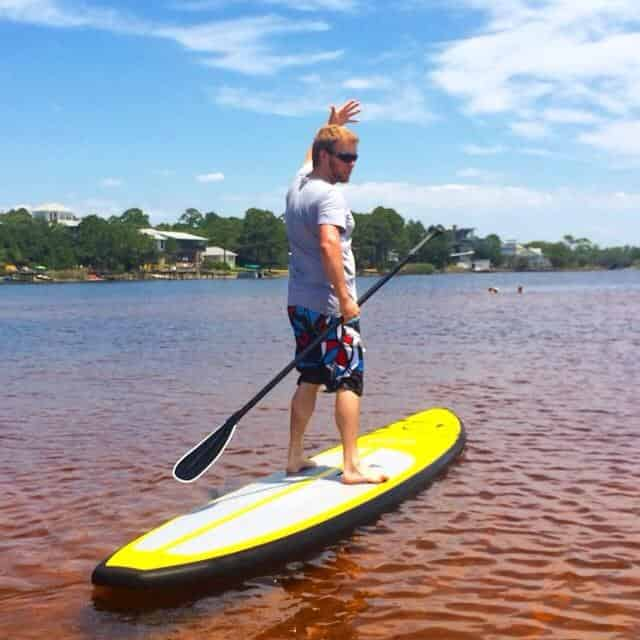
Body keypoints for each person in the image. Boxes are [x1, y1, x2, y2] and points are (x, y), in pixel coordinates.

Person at [284, 100, 387, 485]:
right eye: (345, 157)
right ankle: (352, 466)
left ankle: (295, 456)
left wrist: (331, 125)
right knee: (349, 378)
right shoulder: (328, 195)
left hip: (299, 303)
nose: (351, 164)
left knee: (309, 376)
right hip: (330, 306)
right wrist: (346, 300)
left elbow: (309, 151)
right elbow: (329, 245)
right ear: (327, 157)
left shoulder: (299, 184)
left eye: (355, 157)